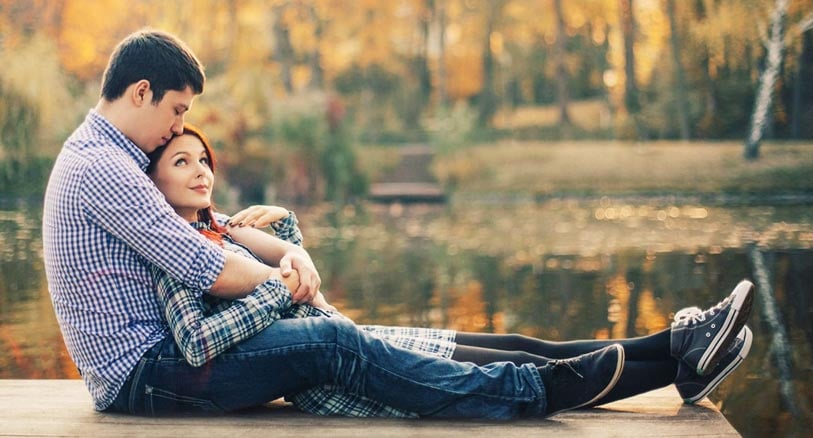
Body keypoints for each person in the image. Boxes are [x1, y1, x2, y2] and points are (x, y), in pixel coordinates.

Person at [41, 28, 753, 419]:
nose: (180, 127)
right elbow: (210, 267)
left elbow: (213, 231)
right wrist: (292, 278)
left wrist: (284, 255)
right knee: (333, 342)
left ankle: (676, 347)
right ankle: (535, 391)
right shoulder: (103, 169)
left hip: (172, 361)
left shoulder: (118, 162)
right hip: (149, 376)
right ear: (142, 91)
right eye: (176, 112)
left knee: (416, 338)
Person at [141, 122, 756, 417]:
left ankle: (679, 349)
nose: (200, 171)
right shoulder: (172, 249)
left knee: (518, 343)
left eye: (204, 159)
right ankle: (680, 355)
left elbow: (308, 290)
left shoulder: (220, 229)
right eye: (181, 163)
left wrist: (289, 237)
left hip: (357, 340)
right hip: (339, 377)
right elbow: (201, 340)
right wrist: (276, 287)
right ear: (153, 181)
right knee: (526, 368)